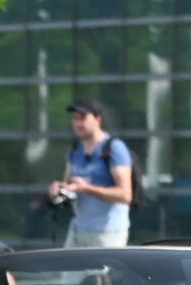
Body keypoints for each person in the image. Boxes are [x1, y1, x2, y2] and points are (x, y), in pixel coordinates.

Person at [49, 99, 134, 249]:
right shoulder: (75, 150)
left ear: (97, 119)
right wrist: (58, 190)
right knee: (68, 272)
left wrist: (87, 189)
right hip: (78, 230)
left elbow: (125, 195)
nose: (78, 123)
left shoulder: (114, 148)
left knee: (101, 274)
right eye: (75, 119)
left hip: (107, 233)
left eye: (83, 118)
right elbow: (69, 186)